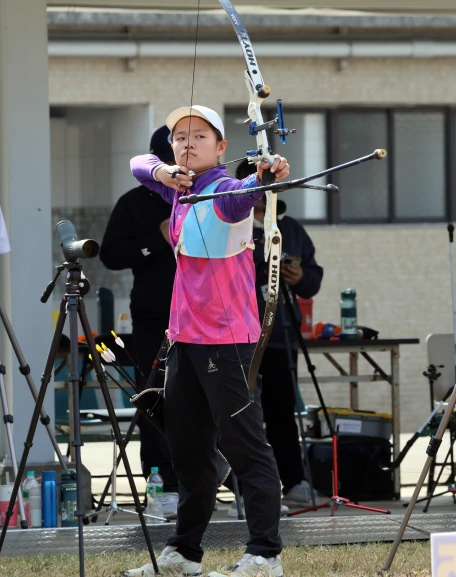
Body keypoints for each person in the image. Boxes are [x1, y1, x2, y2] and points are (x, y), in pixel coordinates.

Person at [124, 105, 289, 577]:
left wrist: (266, 170)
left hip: (228, 340)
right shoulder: (178, 187)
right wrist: (162, 170)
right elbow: (138, 165)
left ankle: (264, 554)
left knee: (244, 445)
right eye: (179, 137)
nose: (187, 143)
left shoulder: (225, 191)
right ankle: (184, 553)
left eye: (199, 136)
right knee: (189, 450)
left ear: (220, 147)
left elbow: (251, 191)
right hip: (185, 339)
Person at [99, 125, 180, 519]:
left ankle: (229, 482)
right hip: (153, 316)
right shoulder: (134, 202)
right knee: (155, 399)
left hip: (205, 315)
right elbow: (110, 254)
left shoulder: (202, 195)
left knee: (212, 398)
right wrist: (156, 240)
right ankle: (162, 482)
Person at [236, 159, 324, 513]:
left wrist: (298, 276)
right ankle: (243, 487)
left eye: (271, 181)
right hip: (241, 334)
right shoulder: (233, 223)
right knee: (242, 413)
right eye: (259, 180)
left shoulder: (291, 227)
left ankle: (294, 482)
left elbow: (314, 278)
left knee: (283, 412)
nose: (266, 187)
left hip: (282, 333)